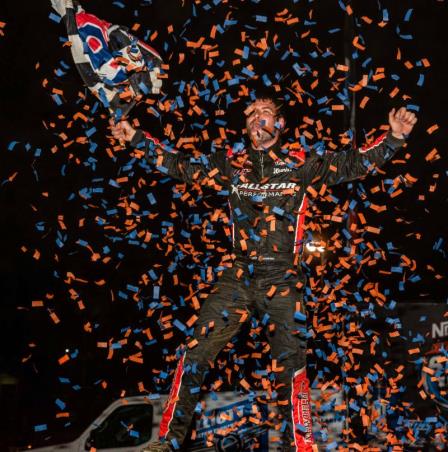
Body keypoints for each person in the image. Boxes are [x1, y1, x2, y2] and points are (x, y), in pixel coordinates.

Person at [109, 95, 417, 451]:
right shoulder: (232, 164)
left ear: (280, 125)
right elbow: (182, 165)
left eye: (266, 112)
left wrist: (393, 138)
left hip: (284, 278)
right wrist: (135, 139)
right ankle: (168, 441)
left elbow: (351, 163)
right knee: (194, 352)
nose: (258, 116)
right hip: (239, 276)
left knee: (292, 364)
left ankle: (301, 446)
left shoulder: (301, 163)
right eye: (252, 113)